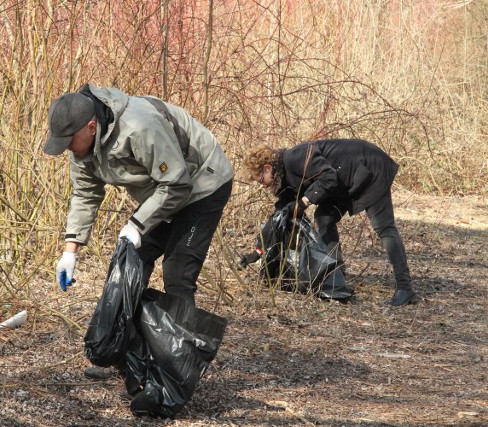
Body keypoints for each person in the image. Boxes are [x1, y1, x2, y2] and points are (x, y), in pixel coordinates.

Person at [43, 84, 234, 377]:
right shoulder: (80, 143)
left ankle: (174, 371)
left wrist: (136, 225)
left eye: (69, 141)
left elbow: (177, 183)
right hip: (162, 190)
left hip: (201, 184)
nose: (67, 147)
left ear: (92, 126)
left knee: (178, 274)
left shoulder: (139, 126)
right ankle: (124, 357)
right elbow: (84, 195)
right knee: (128, 265)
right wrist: (71, 250)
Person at [241, 139, 418, 307]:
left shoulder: (295, 158)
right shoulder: (283, 180)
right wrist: (258, 251)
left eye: (260, 180)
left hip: (370, 166)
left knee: (384, 227)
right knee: (324, 217)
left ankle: (405, 288)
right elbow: (279, 218)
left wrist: (303, 202)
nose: (262, 185)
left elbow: (329, 177)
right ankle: (336, 277)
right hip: (346, 178)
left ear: (267, 168)